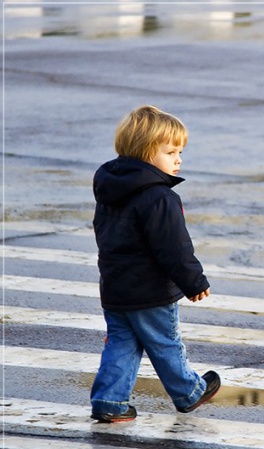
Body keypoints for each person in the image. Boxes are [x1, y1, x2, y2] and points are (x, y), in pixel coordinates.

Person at [90, 105, 220, 423]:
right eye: (171, 151)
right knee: (165, 341)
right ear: (147, 153)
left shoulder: (110, 188)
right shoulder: (160, 197)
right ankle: (189, 392)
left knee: (122, 343)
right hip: (150, 290)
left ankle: (109, 400)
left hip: (115, 286)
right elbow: (173, 248)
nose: (178, 159)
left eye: (180, 152)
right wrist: (194, 281)